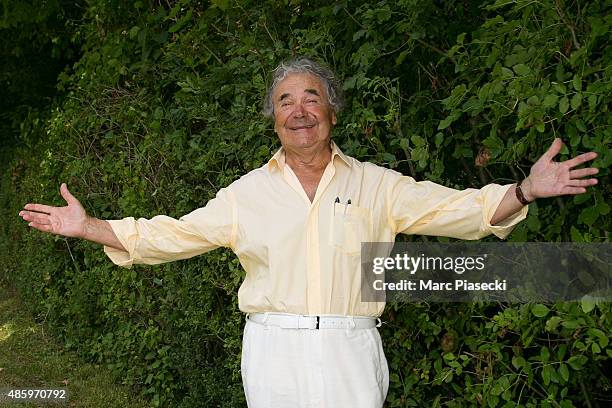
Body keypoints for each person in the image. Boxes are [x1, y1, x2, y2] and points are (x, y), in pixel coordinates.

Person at [18, 57, 599, 408]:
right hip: (273, 350)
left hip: (351, 347)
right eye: (284, 101)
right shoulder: (248, 193)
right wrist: (90, 226)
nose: (298, 110)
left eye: (311, 98)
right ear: (273, 117)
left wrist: (523, 191)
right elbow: (172, 234)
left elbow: (462, 211)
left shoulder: (379, 185)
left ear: (333, 111)